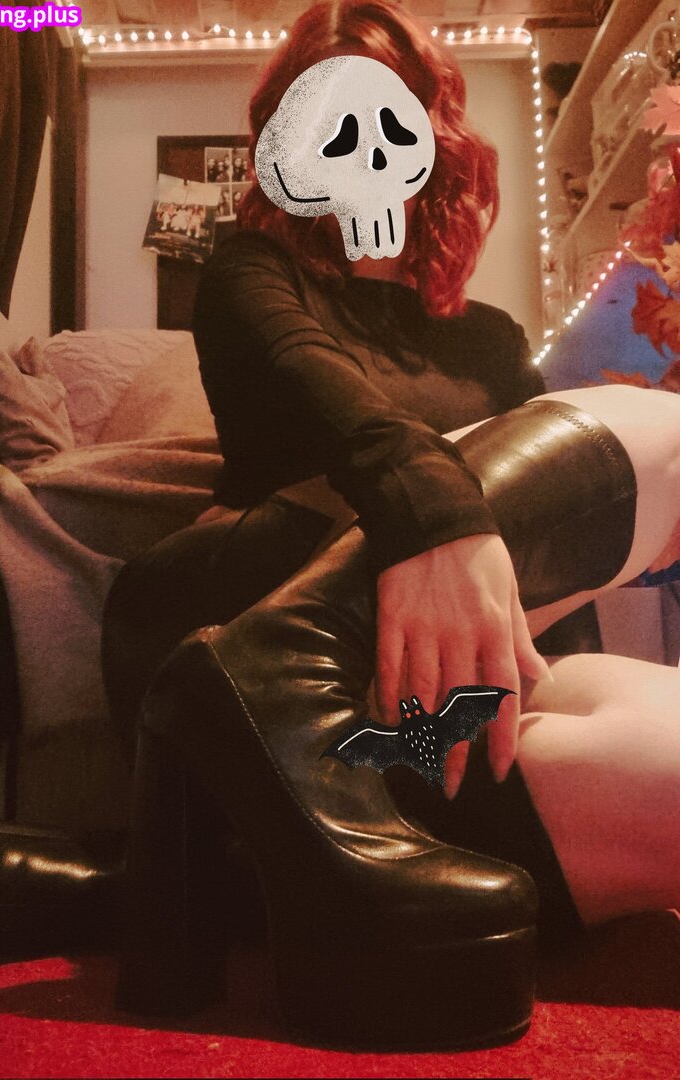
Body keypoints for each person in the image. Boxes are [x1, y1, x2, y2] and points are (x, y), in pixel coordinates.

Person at [103, 0, 680, 1050]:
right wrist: (444, 517)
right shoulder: (250, 275)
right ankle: (273, 672)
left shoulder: (488, 339)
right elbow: (361, 434)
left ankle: (268, 841)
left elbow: (538, 554)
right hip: (266, 606)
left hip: (435, 692)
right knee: (665, 434)